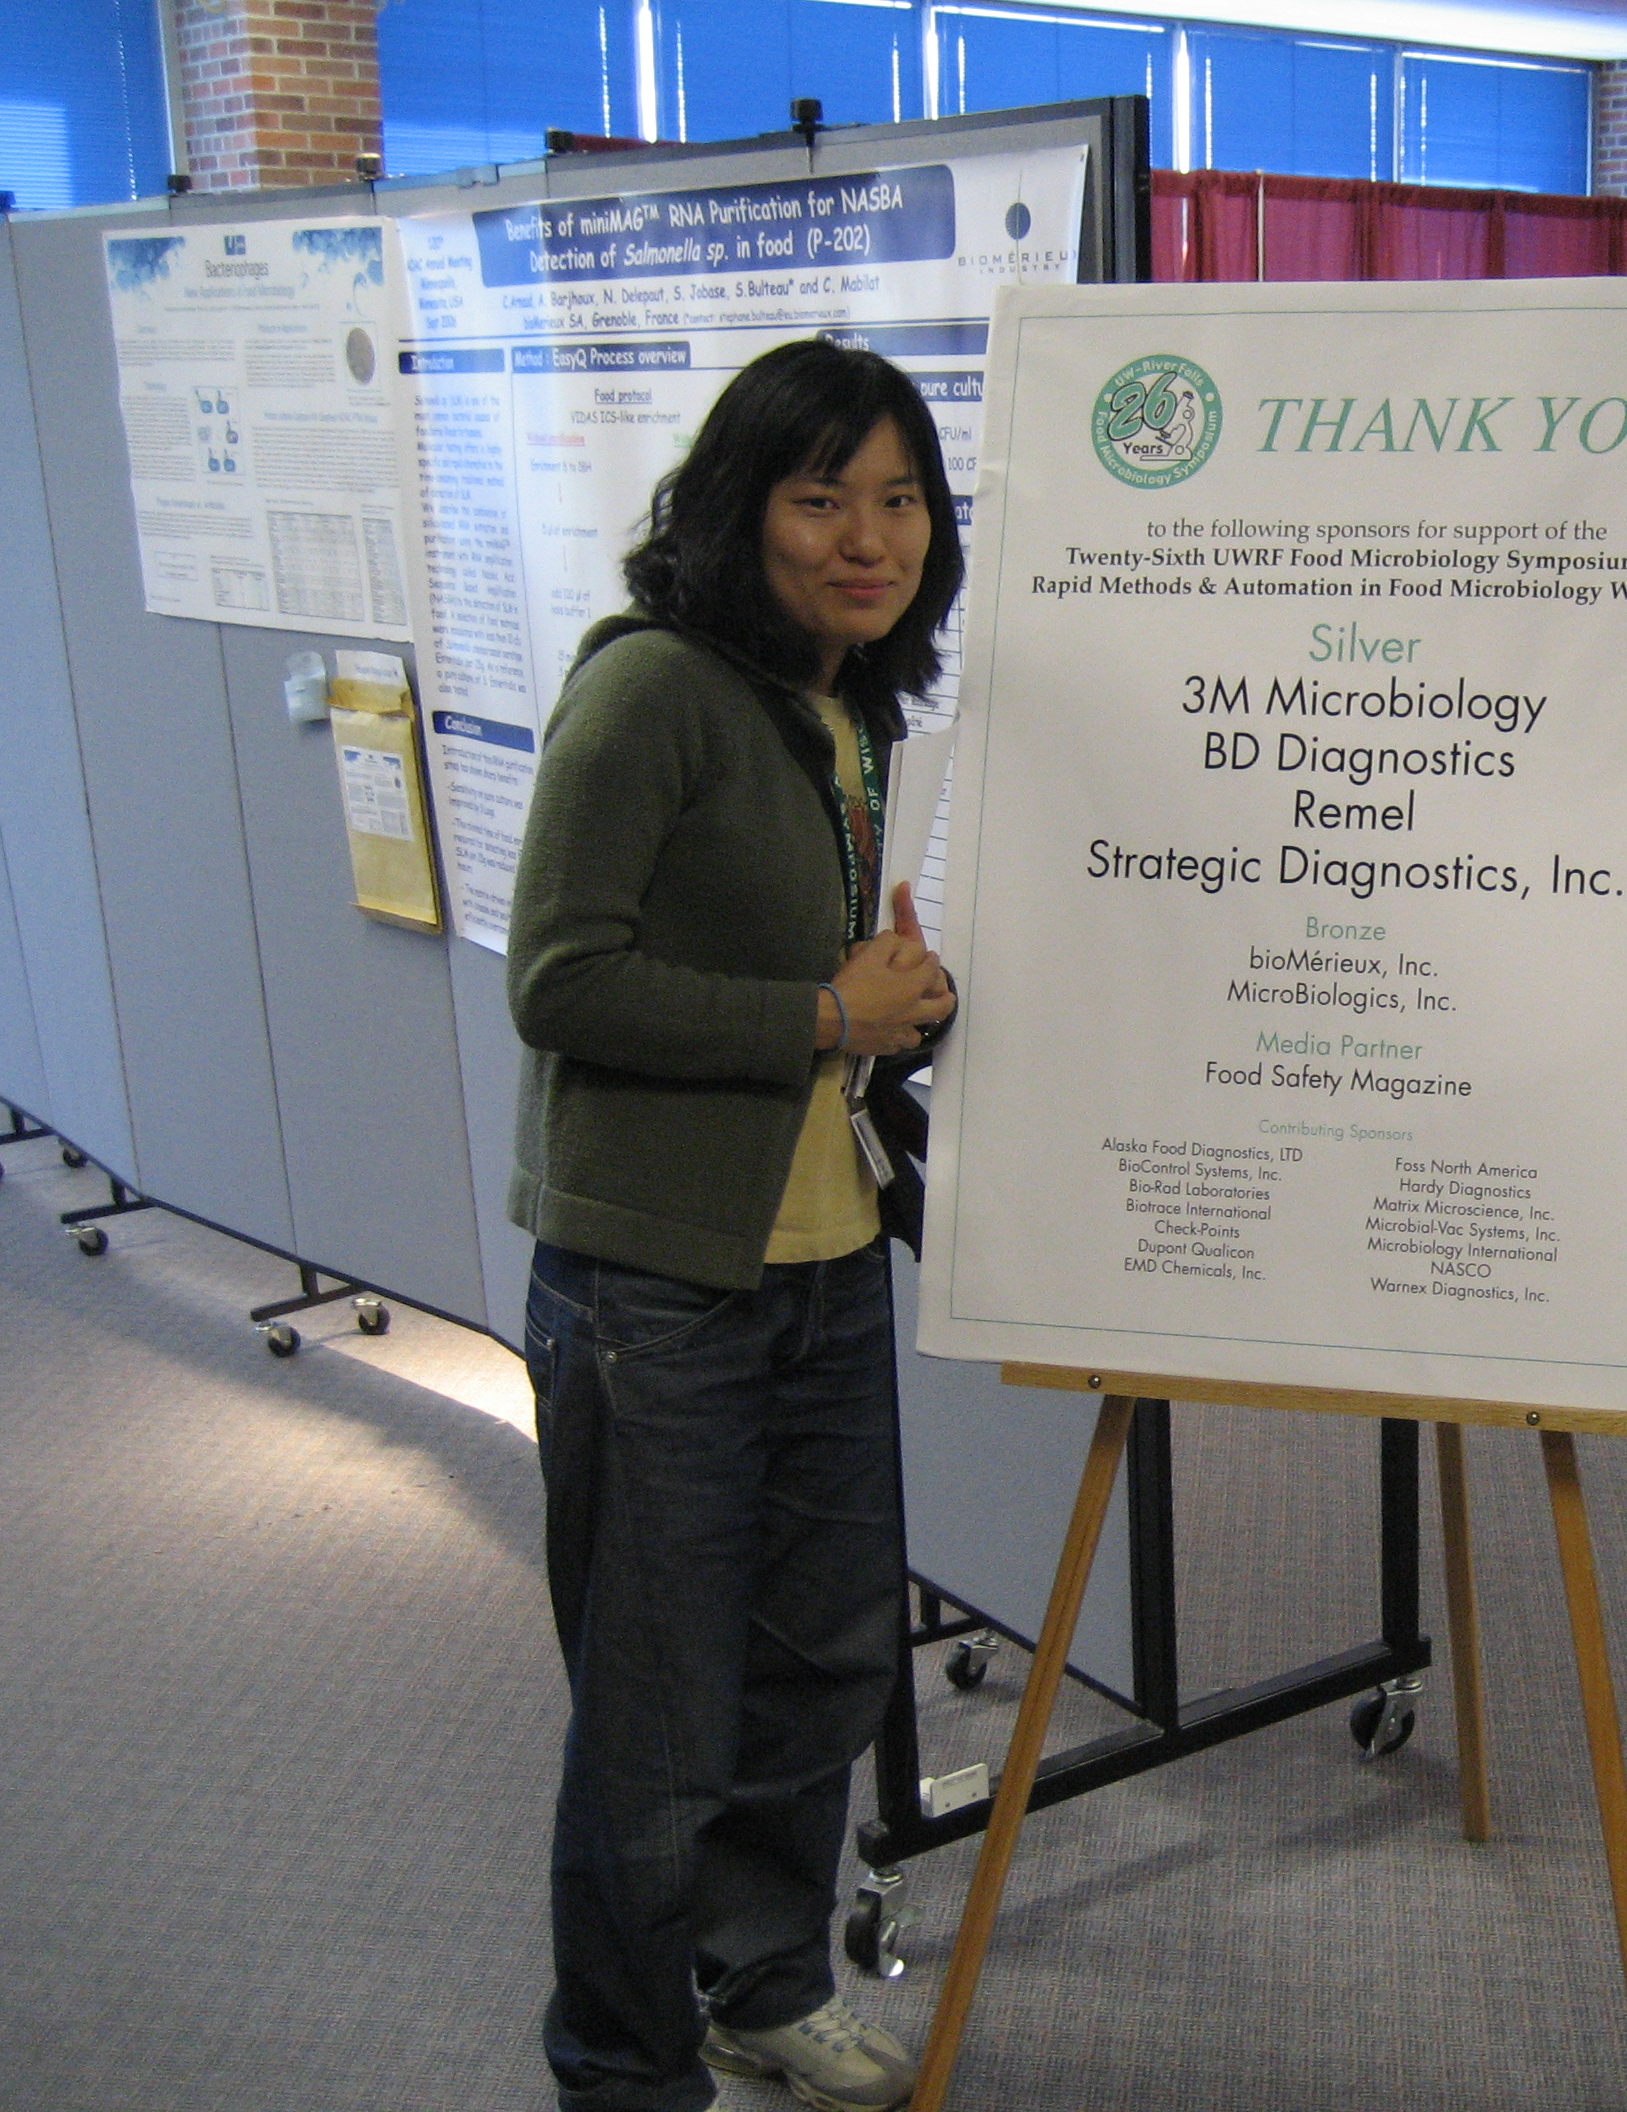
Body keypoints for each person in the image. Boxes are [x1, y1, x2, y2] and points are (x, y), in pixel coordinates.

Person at [506, 337, 963, 2112]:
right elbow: (562, 980)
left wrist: (898, 1004)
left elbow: (827, 983)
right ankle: (622, 2068)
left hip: (825, 1260)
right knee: (659, 1718)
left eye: (901, 499)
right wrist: (824, 1013)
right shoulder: (651, 691)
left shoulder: (853, 711)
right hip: (655, 1285)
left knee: (825, 1659)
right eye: (821, 497)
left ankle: (759, 1982)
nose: (869, 537)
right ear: (736, 508)